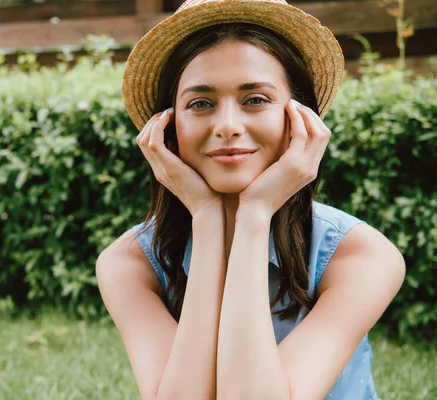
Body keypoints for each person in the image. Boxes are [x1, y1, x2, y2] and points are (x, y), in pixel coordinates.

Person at [96, 0, 406, 399]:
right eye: (200, 103)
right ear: (167, 127)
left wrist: (255, 214)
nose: (227, 126)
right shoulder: (129, 263)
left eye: (255, 99)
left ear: (300, 120)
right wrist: (207, 218)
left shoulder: (360, 256)